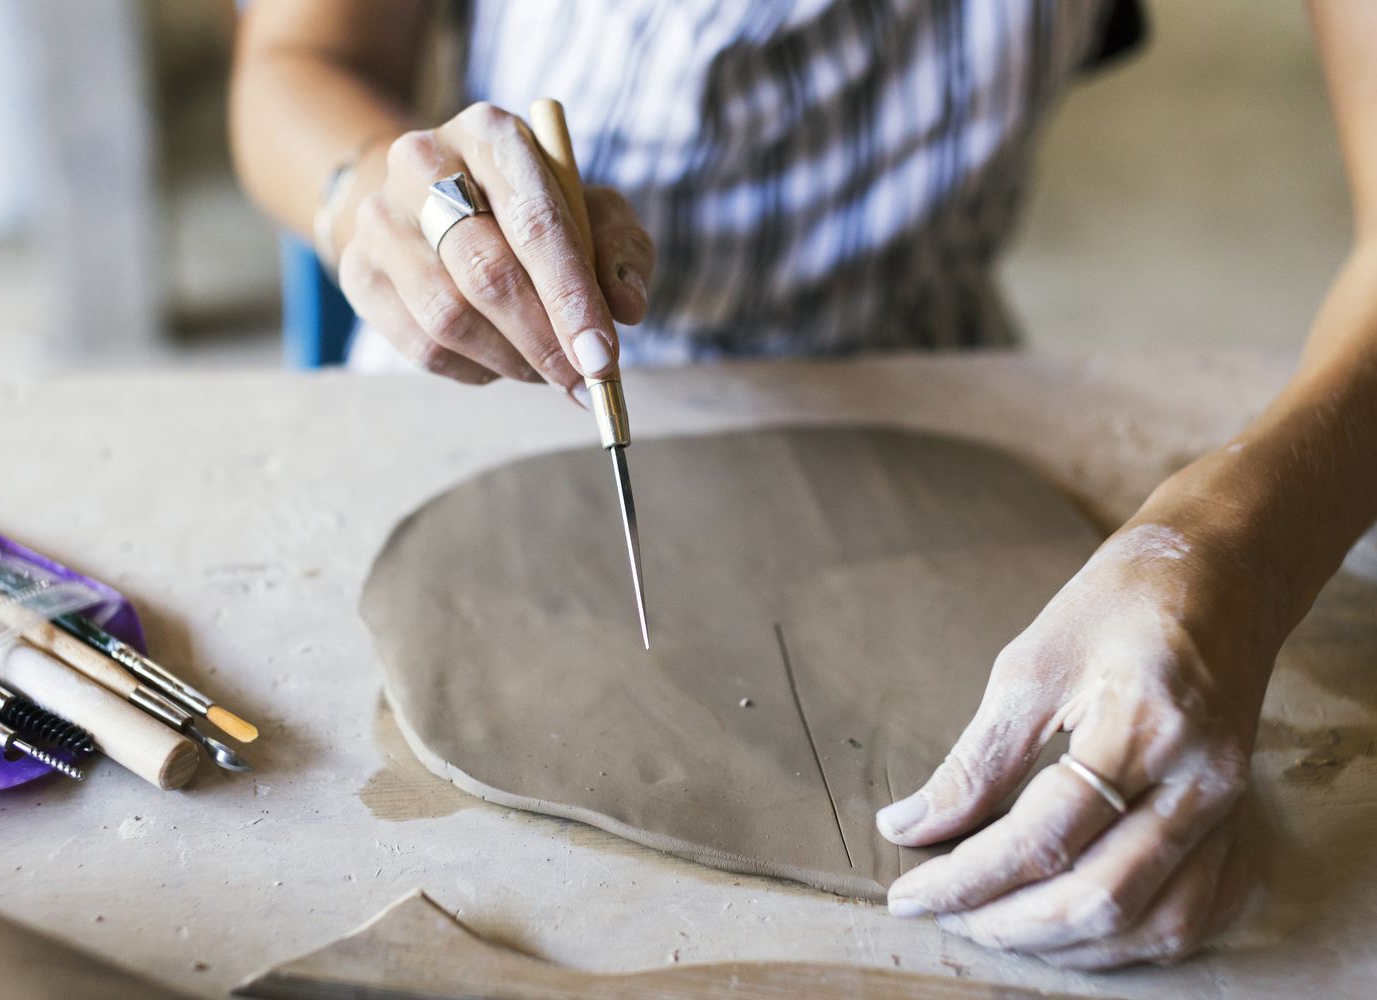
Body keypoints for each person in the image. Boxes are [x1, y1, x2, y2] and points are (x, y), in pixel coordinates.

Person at [231, 0, 1377, 969]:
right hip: (497, 372)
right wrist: (371, 195)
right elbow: (297, 64)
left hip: (923, 385)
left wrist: (1227, 541)